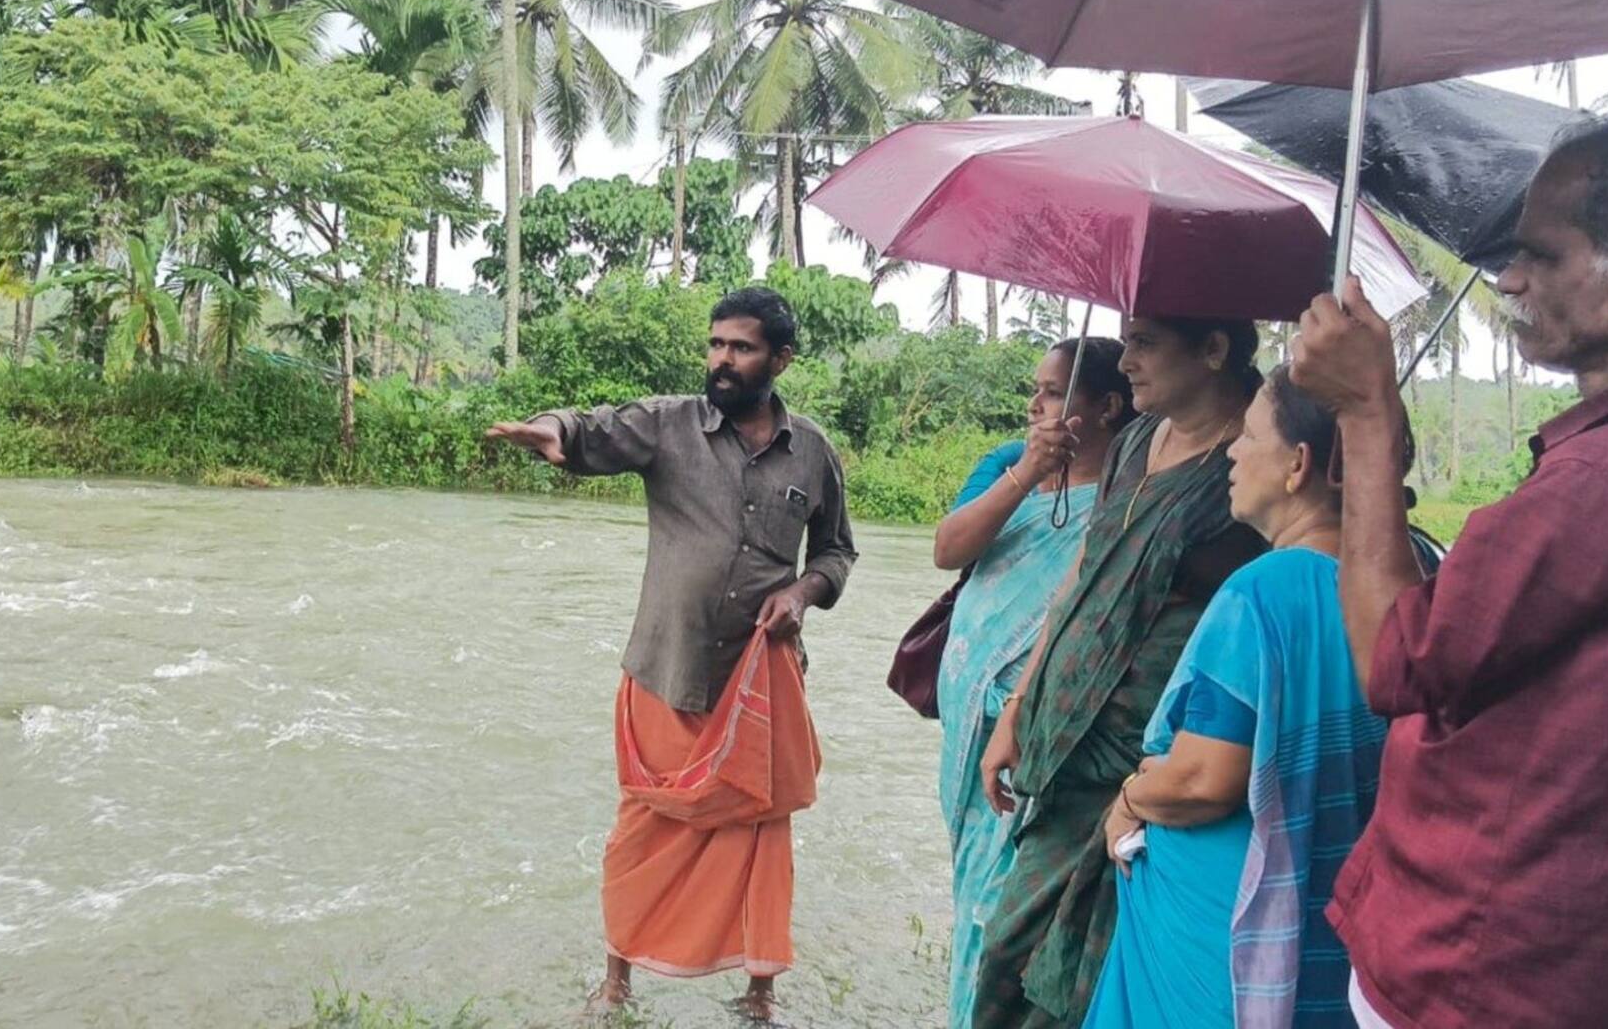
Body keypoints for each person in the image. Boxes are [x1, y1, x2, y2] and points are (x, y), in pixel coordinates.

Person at [1293, 107, 1608, 1028]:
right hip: (1569, 954)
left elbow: (1395, 660)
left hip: (1476, 967)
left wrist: (1367, 417)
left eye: (1542, 254)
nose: (1509, 279)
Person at [485, 287, 856, 1021]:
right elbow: (589, 428)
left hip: (759, 680)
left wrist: (802, 593)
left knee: (759, 832)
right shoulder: (667, 424)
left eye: (742, 347)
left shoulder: (813, 451)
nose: (722, 359)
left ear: (781, 359)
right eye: (716, 344)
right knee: (642, 831)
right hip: (667, 667)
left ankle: (759, 994)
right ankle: (616, 981)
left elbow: (837, 551)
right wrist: (551, 431)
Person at [974, 317, 1267, 1029]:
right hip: (1066, 747)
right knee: (1008, 959)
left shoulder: (1256, 461)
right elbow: (1083, 576)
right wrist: (1019, 704)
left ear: (1214, 348)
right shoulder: (1138, 440)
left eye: (1145, 342)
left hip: (1153, 767)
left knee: (1091, 979)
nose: (1126, 359)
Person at [1085, 367, 1391, 1029]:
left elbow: (1204, 779)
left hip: (1218, 932)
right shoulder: (1404, 586)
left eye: (1249, 436)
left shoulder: (1265, 590)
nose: (1232, 452)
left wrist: (1130, 799)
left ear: (1298, 465)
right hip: (1331, 917)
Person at [934, 338, 1137, 1029]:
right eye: (1037, 389)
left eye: (1053, 392)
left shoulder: (1127, 494)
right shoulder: (1005, 463)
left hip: (1034, 728)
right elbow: (948, 549)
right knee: (972, 881)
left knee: (1000, 898)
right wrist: (1028, 472)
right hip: (970, 718)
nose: (1034, 404)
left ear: (1107, 407)